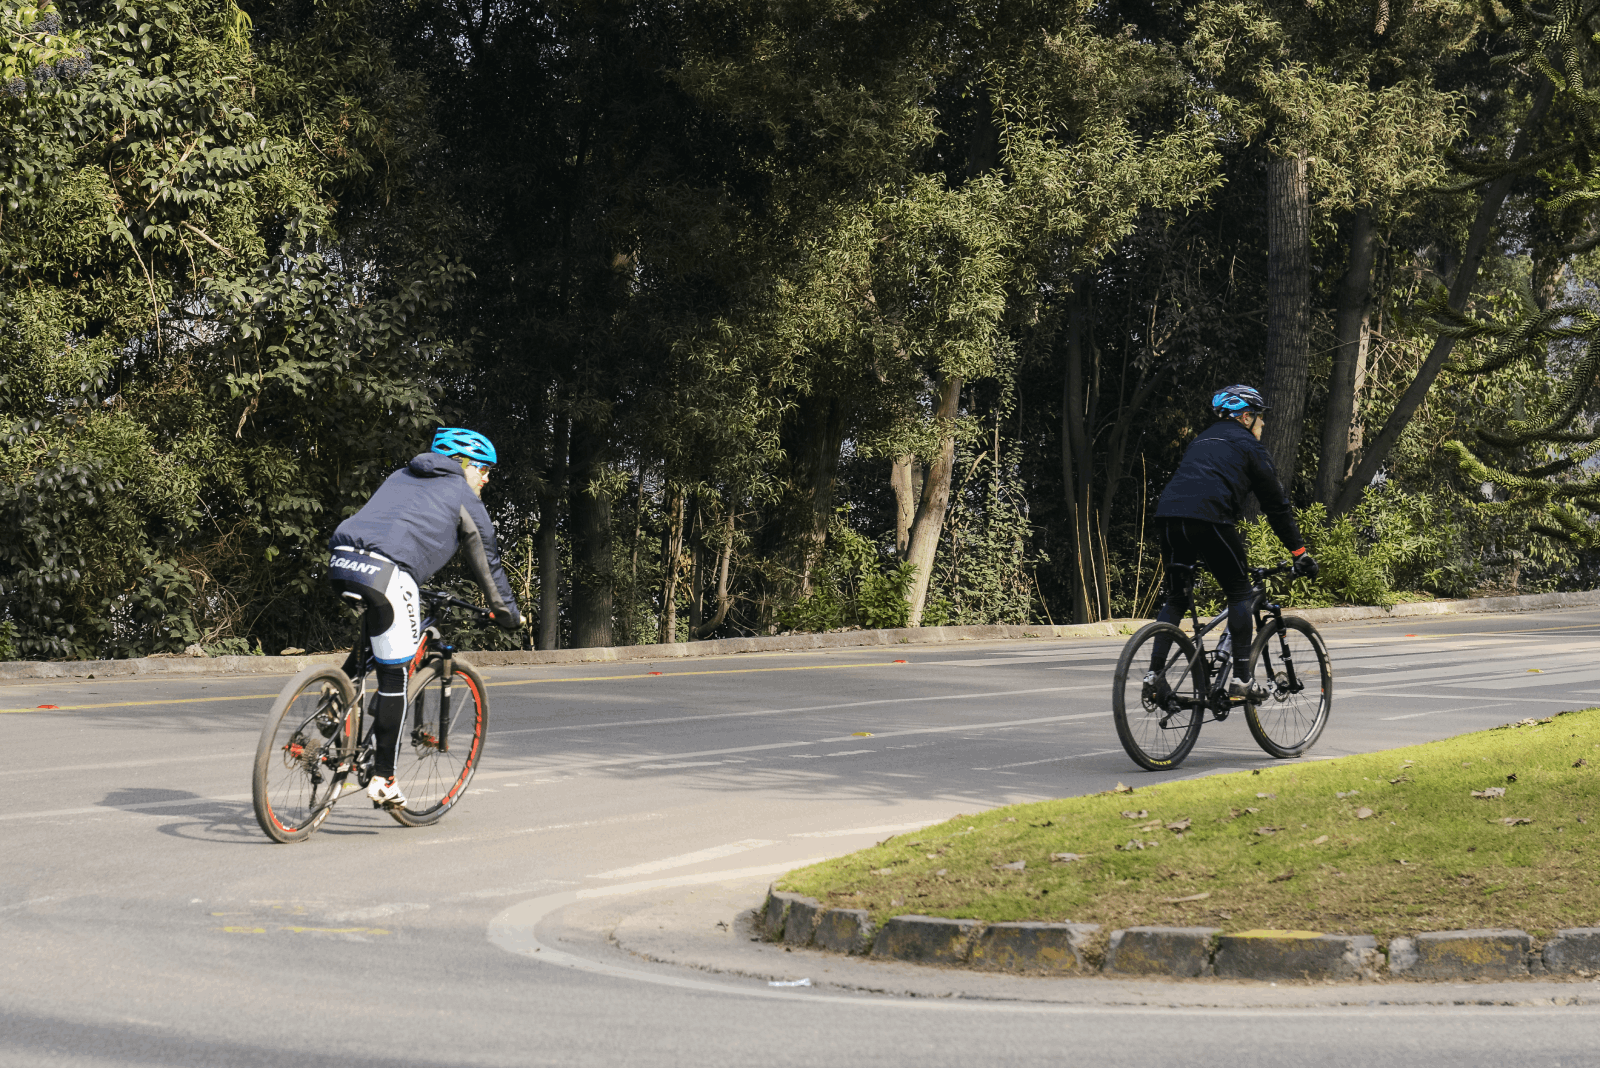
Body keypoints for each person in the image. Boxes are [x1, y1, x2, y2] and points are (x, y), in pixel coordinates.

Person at [326, 427, 523, 807]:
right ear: (462, 465)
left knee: (379, 631)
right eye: (483, 469)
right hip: (388, 573)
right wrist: (508, 615)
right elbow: (487, 560)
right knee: (393, 675)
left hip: (341, 559)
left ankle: (339, 690)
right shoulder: (462, 494)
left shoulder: (401, 475)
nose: (486, 478)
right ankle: (384, 778)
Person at [1147, 385, 1318, 702]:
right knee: (1240, 593)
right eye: (1260, 419)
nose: (1263, 426)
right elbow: (1276, 507)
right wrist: (1300, 553)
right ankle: (1242, 679)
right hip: (1209, 519)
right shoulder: (1249, 446)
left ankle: (1154, 675)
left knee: (1175, 598)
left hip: (1168, 518)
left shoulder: (1201, 440)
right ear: (1246, 416)